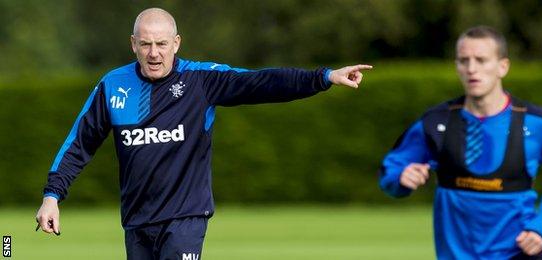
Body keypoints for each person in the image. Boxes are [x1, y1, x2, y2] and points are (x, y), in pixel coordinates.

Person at [36, 7, 372, 259]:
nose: (154, 53)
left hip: (185, 219)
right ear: (133, 44)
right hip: (137, 222)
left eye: (162, 44)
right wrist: (52, 196)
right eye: (146, 44)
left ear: (177, 43)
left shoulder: (201, 80)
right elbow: (79, 144)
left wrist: (323, 77)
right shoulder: (113, 86)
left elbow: (263, 82)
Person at [379, 26, 542, 260]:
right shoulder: (436, 122)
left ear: (502, 66)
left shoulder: (537, 123)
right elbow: (390, 170)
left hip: (519, 253)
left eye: (481, 60)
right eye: (463, 60)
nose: (471, 69)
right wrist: (400, 178)